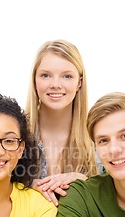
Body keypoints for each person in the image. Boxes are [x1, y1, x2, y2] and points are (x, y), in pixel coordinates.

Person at [25, 39, 99, 206]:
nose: (56, 85)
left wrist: (84, 181)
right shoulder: (15, 131)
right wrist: (27, 185)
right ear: (35, 80)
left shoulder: (96, 134)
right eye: (45, 75)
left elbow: (116, 193)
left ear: (79, 82)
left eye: (67, 76)